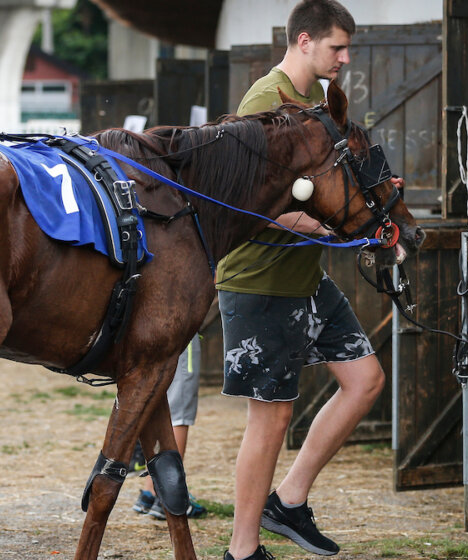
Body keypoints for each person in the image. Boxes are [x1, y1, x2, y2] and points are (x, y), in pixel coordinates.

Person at [216, 2, 402, 559]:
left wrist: (369, 200)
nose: (345, 58)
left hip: (304, 275)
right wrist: (336, 227)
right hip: (259, 278)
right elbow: (244, 199)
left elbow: (324, 184)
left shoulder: (318, 104)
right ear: (304, 41)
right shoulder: (265, 102)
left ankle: (288, 501)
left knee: (365, 379)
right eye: (336, 48)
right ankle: (242, 550)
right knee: (271, 417)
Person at [130, 335, 206, 519]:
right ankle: (168, 496)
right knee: (179, 414)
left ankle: (150, 492)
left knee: (156, 409)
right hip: (177, 328)